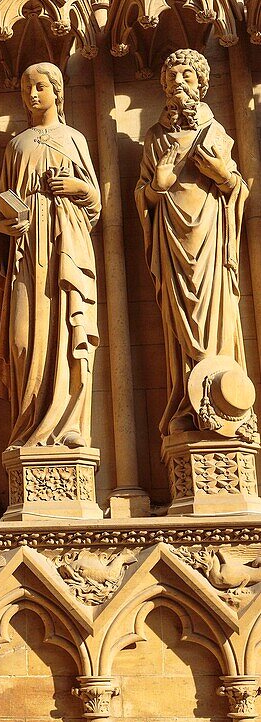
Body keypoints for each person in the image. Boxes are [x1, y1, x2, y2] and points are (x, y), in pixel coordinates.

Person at [135, 48, 248, 436]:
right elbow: (143, 195)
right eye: (171, 79)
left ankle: (222, 400)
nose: (178, 84)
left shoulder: (216, 133)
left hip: (212, 238)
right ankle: (188, 401)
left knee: (217, 316)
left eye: (186, 76)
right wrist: (156, 186)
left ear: (202, 83)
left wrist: (223, 175)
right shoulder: (154, 138)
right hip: (171, 240)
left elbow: (238, 188)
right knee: (179, 320)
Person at [0, 62, 100, 448]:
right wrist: (5, 224)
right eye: (25, 89)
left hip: (66, 246)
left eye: (39, 87)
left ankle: (69, 426)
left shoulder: (74, 139)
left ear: (57, 91)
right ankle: (28, 424)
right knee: (22, 340)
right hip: (25, 253)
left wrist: (73, 185)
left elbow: (96, 202)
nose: (31, 95)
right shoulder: (16, 145)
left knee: (69, 332)